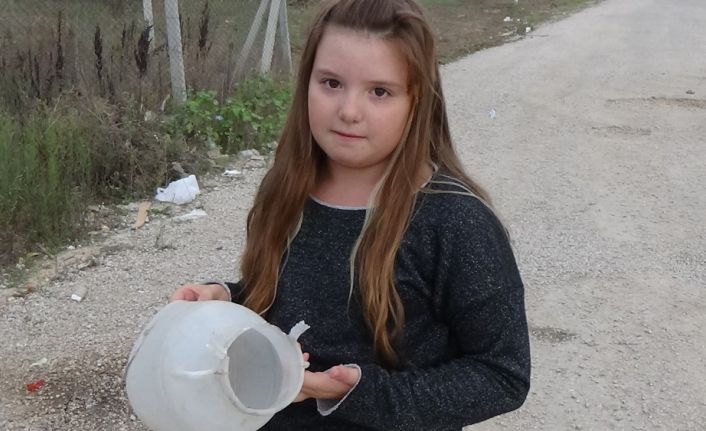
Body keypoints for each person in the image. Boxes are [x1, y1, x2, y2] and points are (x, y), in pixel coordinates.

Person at [171, 0, 530, 429]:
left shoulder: (456, 222)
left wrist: (356, 392)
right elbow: (292, 304)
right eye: (331, 83)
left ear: (416, 101)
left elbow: (502, 374)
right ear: (307, 83)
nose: (349, 111)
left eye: (379, 92)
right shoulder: (285, 190)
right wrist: (229, 300)